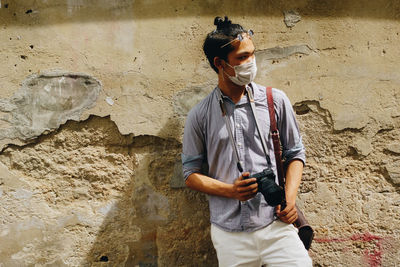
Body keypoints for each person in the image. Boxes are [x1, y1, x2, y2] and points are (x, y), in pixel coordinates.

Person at [182, 16, 312, 267]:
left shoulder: (276, 100)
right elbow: (189, 174)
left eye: (252, 54)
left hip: (276, 224)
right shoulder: (199, 115)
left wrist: (290, 199)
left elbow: (296, 153)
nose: (250, 63)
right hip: (230, 232)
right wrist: (231, 191)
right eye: (241, 58)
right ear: (220, 63)